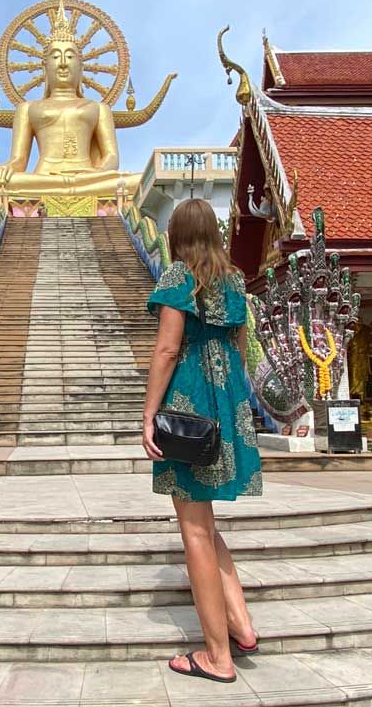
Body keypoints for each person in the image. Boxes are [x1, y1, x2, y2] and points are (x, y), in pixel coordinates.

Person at [142, 198, 262, 684]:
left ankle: (217, 655)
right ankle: (241, 626)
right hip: (228, 406)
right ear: (213, 231)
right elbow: (240, 346)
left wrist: (149, 414)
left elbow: (169, 348)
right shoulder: (234, 281)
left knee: (193, 527)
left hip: (190, 407)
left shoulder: (177, 277)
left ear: (176, 235)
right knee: (206, 524)